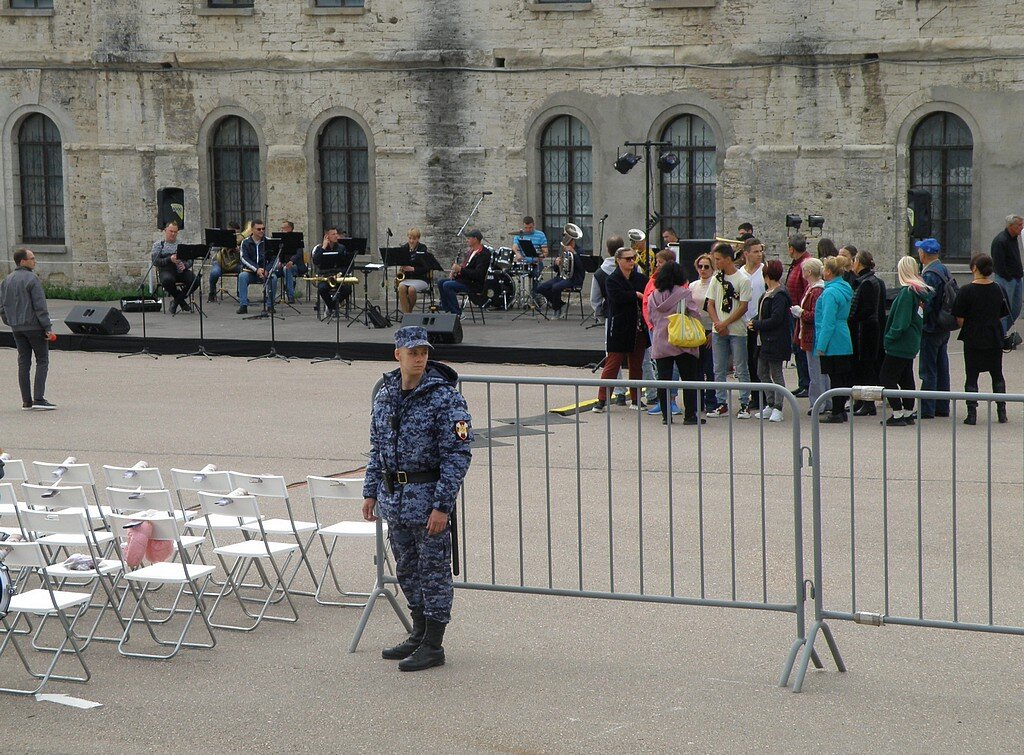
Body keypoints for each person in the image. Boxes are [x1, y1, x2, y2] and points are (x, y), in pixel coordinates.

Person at [361, 326, 472, 671]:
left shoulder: (444, 397)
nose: (420, 358)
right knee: (407, 569)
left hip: (427, 501)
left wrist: (442, 505)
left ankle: (434, 645)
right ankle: (419, 633)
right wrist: (370, 490)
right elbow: (377, 447)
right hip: (395, 499)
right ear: (398, 355)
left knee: (433, 572)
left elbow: (458, 454)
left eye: (424, 352)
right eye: (413, 353)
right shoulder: (385, 394)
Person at [952, 253, 1009, 425]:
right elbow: (1002, 315)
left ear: (974, 267)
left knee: (971, 375)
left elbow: (959, 318)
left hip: (973, 337)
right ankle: (1001, 411)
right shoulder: (998, 288)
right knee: (997, 374)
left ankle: (972, 414)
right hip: (994, 337)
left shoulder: (966, 291)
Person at [592, 246, 650, 412]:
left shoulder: (640, 278)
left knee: (636, 365)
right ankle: (602, 399)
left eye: (633, 258)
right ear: (618, 260)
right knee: (613, 363)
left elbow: (647, 296)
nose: (632, 261)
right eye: (628, 259)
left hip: (638, 327)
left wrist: (638, 296)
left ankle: (636, 399)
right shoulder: (612, 279)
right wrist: (635, 295)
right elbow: (616, 298)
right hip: (619, 327)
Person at [647, 261, 703, 425]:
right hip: (682, 340)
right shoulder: (684, 294)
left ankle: (666, 416)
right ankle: (690, 415)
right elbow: (695, 314)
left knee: (664, 380)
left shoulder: (653, 295)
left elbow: (650, 318)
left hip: (660, 340)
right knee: (688, 379)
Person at [879, 256, 932, 426]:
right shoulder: (917, 292)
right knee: (905, 376)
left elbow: (900, 322)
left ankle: (897, 413)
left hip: (900, 343)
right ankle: (908, 411)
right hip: (910, 342)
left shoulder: (907, 293)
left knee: (886, 377)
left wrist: (889, 338)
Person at [0, 248, 56, 410]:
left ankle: (26, 401)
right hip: (34, 327)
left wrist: (10, 321)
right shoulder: (32, 279)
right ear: (23, 261)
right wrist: (47, 327)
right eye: (32, 258)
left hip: (17, 328)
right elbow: (40, 307)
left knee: (23, 362)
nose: (35, 261)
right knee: (42, 360)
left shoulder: (7, 280)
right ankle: (39, 398)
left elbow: (2, 306)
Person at [706, 242, 752, 418]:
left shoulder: (742, 280)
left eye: (718, 259)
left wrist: (726, 323)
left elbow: (743, 306)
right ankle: (721, 402)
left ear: (727, 259)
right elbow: (710, 303)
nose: (716, 262)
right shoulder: (717, 279)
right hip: (719, 329)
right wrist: (717, 322)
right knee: (718, 367)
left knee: (741, 367)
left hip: (736, 330)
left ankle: (744, 403)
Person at [750, 259, 792, 422]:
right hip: (764, 340)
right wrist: (754, 321)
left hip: (775, 340)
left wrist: (757, 324)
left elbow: (776, 318)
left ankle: (778, 407)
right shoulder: (766, 294)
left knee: (776, 373)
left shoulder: (779, 294)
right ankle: (770, 402)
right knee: (762, 371)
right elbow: (762, 314)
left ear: (766, 275)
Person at [815, 255, 855, 423]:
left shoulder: (830, 292)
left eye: (824, 268)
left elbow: (828, 321)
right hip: (843, 334)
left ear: (829, 272)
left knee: (835, 377)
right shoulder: (844, 287)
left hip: (832, 338)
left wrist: (821, 344)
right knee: (841, 375)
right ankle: (840, 409)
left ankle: (837, 411)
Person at [916, 238, 952, 418]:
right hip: (944, 325)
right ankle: (942, 406)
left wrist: (917, 318)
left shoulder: (929, 274)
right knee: (941, 366)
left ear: (923, 253)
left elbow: (926, 302)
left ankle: (927, 408)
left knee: (928, 368)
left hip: (931, 326)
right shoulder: (943, 269)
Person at [590, 235, 628, 405]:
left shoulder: (600, 273)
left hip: (611, 317)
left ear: (607, 249)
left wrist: (600, 314)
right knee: (640, 358)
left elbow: (595, 299)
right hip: (632, 316)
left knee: (612, 356)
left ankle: (619, 392)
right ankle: (647, 393)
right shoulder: (632, 269)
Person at [847, 250, 885, 416]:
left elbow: (868, 308)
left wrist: (853, 318)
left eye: (855, 261)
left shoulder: (868, 282)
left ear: (860, 263)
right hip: (865, 327)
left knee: (866, 367)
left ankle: (868, 403)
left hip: (867, 329)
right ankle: (861, 400)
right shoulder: (866, 280)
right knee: (861, 367)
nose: (853, 264)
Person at [642, 249, 680, 416]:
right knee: (659, 367)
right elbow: (646, 302)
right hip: (656, 328)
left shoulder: (680, 283)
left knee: (673, 368)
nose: (657, 266)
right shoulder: (653, 280)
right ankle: (662, 400)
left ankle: (672, 400)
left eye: (660, 263)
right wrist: (650, 323)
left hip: (673, 329)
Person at [791, 258, 829, 412]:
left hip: (812, 336)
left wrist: (800, 312)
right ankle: (824, 402)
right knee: (819, 371)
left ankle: (818, 404)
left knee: (816, 372)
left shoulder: (817, 290)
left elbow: (815, 315)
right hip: (810, 334)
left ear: (809, 272)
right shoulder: (812, 288)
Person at [689, 252, 719, 413]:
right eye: (700, 266)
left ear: (712, 268)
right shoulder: (693, 285)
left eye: (706, 266)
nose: (703, 269)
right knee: (697, 368)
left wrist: (713, 331)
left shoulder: (716, 284)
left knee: (710, 367)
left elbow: (719, 309)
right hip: (696, 330)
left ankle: (711, 400)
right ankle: (698, 401)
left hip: (710, 329)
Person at [438, 230, 491, 319]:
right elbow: (466, 267)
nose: (467, 240)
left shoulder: (484, 254)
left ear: (475, 239)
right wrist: (456, 271)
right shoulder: (471, 251)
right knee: (441, 282)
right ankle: (448, 309)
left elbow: (478, 274)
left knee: (447, 285)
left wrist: (460, 270)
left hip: (473, 283)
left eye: (469, 238)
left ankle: (457, 313)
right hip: (465, 280)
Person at [785, 234, 812, 397]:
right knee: (797, 348)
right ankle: (803, 382)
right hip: (795, 312)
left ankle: (807, 383)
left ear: (791, 249)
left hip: (799, 313)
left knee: (801, 349)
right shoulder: (798, 264)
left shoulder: (805, 265)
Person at [534, 230, 584, 318]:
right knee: (540, 288)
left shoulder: (580, 250)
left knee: (555, 287)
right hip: (562, 277)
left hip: (574, 278)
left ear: (572, 240)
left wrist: (574, 253)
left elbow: (582, 267)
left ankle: (556, 309)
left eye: (567, 238)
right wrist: (557, 263)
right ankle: (560, 305)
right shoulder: (562, 250)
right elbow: (557, 269)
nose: (565, 240)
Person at [740, 238, 766, 408]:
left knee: (760, 361)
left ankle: (764, 396)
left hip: (760, 322)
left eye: (760, 251)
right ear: (746, 253)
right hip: (743, 322)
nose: (759, 254)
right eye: (755, 251)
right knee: (748, 360)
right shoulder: (740, 273)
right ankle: (754, 396)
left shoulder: (765, 271)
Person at [151, 222, 197, 314]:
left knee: (195, 280)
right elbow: (155, 262)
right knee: (167, 280)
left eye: (175, 232)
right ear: (165, 231)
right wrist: (169, 259)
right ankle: (181, 301)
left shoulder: (182, 244)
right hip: (166, 270)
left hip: (180, 270)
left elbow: (190, 260)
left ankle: (176, 301)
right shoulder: (159, 245)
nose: (173, 234)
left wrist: (186, 265)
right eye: (171, 231)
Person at [990, 214, 1023, 340]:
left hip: (1017, 278)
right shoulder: (1000, 240)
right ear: (1011, 226)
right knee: (1004, 308)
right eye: (1019, 225)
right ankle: (1000, 335)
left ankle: (1002, 332)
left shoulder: (1014, 238)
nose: (1022, 227)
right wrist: (1008, 277)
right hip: (1006, 279)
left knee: (1016, 308)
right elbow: (998, 263)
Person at [237, 219, 278, 315]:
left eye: (263, 229)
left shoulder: (268, 242)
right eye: (258, 229)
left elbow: (274, 258)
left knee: (274, 278)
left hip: (266, 271)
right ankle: (243, 305)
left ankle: (270, 305)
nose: (261, 231)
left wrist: (267, 270)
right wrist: (256, 269)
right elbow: (244, 258)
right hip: (251, 272)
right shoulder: (245, 242)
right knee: (242, 276)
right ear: (252, 230)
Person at [312, 227, 354, 318]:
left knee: (347, 289)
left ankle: (331, 306)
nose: (336, 236)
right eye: (333, 234)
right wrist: (323, 247)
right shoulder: (320, 248)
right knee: (322, 288)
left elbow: (347, 265)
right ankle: (332, 307)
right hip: (326, 276)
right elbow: (316, 261)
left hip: (338, 276)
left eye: (336, 234)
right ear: (327, 236)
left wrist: (340, 273)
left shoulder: (341, 248)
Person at [397, 228, 431, 315]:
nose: (411, 241)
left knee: (411, 289)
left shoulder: (423, 249)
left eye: (414, 239)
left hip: (421, 278)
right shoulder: (404, 248)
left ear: (418, 239)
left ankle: (408, 312)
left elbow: (427, 268)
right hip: (408, 278)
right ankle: (406, 314)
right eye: (410, 238)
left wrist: (413, 269)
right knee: (401, 287)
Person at [272, 220, 305, 304]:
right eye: (281, 228)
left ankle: (291, 296)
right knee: (271, 272)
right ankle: (270, 298)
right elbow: (278, 253)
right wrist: (279, 261)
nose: (282, 230)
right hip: (283, 265)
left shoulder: (297, 238)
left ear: (290, 228)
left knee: (287, 269)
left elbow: (299, 253)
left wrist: (291, 261)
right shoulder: (280, 239)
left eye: (284, 228)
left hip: (296, 266)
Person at [208, 221, 241, 303]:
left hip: (234, 264)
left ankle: (241, 294)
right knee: (214, 273)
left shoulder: (241, 239)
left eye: (236, 233)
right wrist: (223, 244)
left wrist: (239, 250)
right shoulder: (221, 237)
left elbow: (245, 254)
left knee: (243, 272)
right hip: (220, 263)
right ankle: (212, 293)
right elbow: (212, 248)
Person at [512, 216, 548, 280]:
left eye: (530, 228)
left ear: (534, 225)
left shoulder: (541, 235)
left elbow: (545, 252)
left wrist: (540, 256)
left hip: (536, 263)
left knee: (536, 275)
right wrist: (517, 253)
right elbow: (514, 247)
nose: (528, 230)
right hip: (523, 262)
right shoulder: (519, 235)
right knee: (507, 272)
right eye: (526, 228)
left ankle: (535, 289)